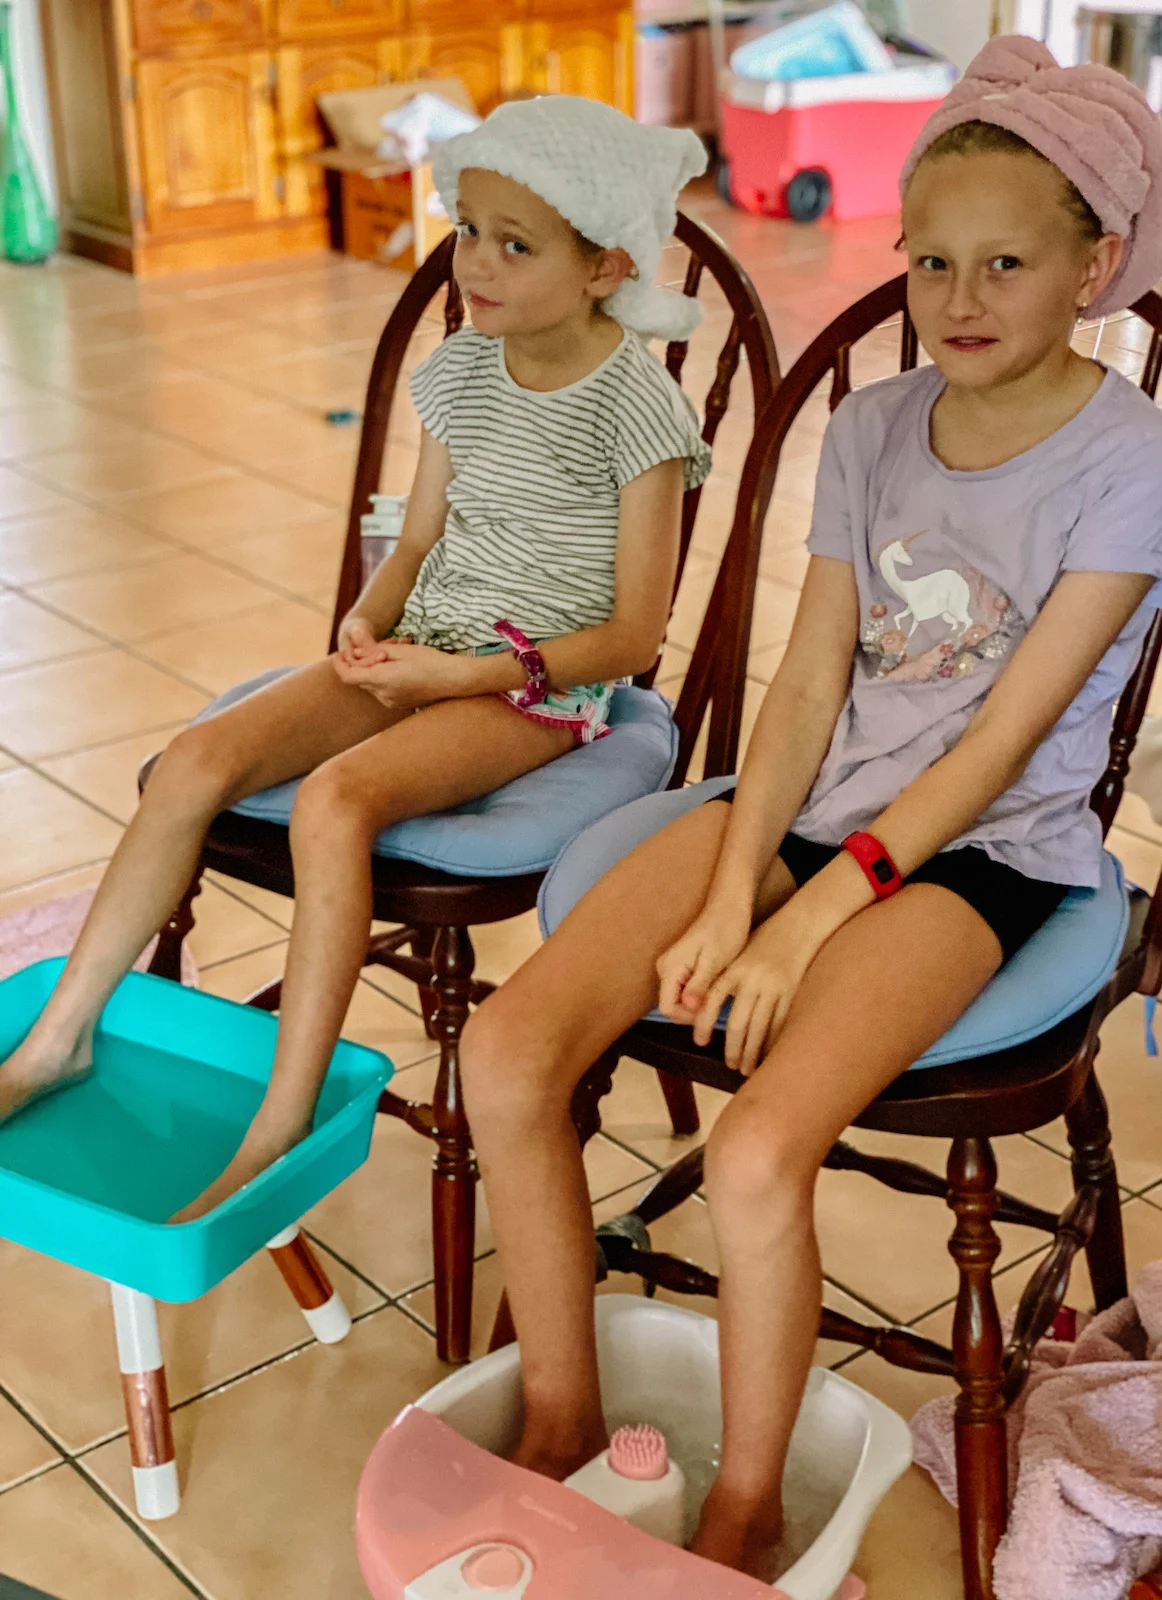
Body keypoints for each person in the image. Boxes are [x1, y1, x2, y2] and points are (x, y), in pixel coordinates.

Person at [460, 36, 1162, 1580]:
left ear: (1096, 263)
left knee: (750, 1154)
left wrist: (808, 914)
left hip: (984, 858)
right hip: (815, 814)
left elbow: (1002, 738)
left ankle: (742, 1518)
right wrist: (736, 886)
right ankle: (559, 1424)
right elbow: (797, 696)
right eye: (929, 260)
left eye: (1005, 259)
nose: (958, 298)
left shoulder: (1137, 460)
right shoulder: (867, 429)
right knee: (510, 1049)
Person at [0, 96, 711, 1220]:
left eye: (513, 243)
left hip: (540, 687)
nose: (472, 262)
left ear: (604, 263)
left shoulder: (640, 410)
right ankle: (60, 1037)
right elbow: (418, 538)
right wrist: (369, 620)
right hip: (421, 648)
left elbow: (631, 637)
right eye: (467, 228)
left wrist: (455, 678)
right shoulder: (463, 371)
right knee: (194, 761)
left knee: (336, 804)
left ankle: (282, 1113)